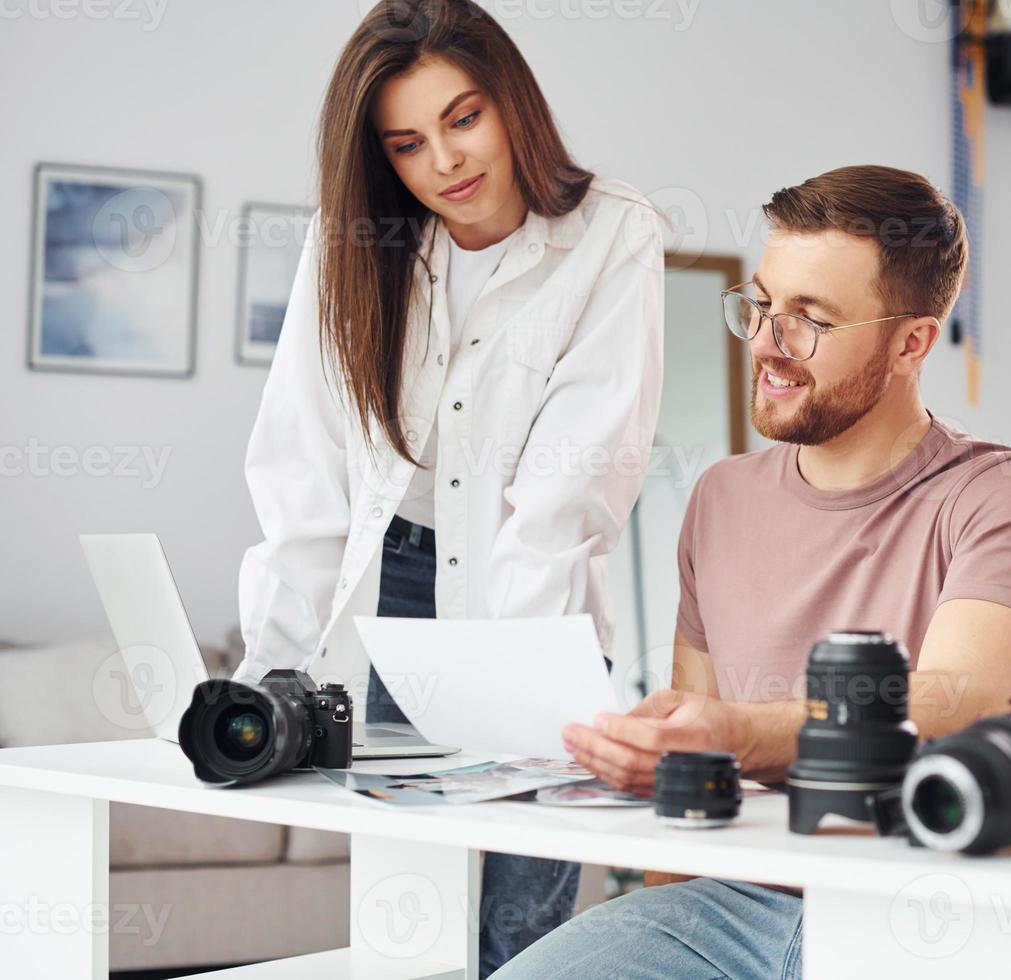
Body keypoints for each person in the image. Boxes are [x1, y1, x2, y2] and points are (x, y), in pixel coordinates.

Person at [496, 164, 1011, 979]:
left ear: (911, 342)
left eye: (810, 320)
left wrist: (736, 735)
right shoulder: (720, 498)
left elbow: (960, 701)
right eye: (762, 304)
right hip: (731, 908)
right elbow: (688, 777)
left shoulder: (1004, 494)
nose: (767, 343)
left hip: (924, 907)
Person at [233, 1, 663, 974]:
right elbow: (304, 472)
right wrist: (272, 670)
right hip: (387, 598)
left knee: (521, 931)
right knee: (412, 933)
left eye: (464, 117)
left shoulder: (611, 236)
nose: (445, 162)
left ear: (511, 101)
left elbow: (570, 487)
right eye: (407, 142)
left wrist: (517, 696)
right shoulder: (350, 245)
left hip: (530, 601)